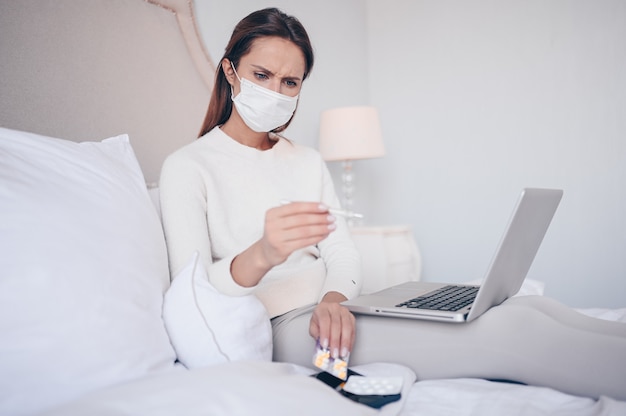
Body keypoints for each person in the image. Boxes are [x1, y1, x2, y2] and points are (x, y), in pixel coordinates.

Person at [159, 7, 626, 401]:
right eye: (262, 76)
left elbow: (341, 252)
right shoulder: (188, 168)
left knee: (525, 311)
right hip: (283, 331)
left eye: (289, 82)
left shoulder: (306, 160)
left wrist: (335, 299)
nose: (276, 92)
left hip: (336, 312)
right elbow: (191, 293)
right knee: (506, 336)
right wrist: (262, 254)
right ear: (230, 70)